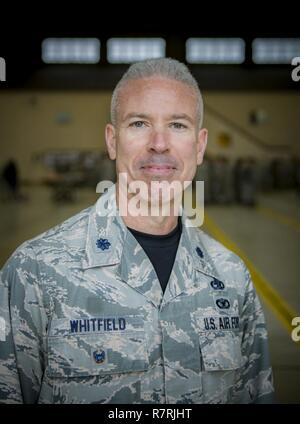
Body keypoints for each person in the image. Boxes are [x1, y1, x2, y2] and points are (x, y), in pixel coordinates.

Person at [0, 58, 274, 404]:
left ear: (200, 146)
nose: (159, 143)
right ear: (112, 141)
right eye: (139, 123)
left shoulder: (233, 278)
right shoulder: (33, 273)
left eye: (177, 125)